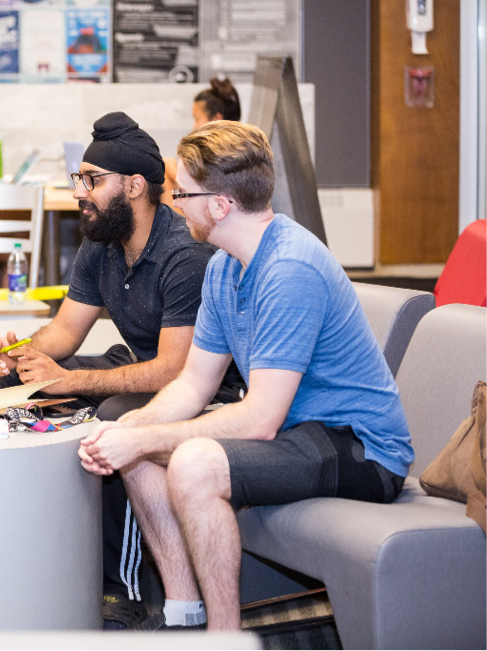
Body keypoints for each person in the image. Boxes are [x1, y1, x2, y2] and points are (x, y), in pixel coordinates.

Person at [79, 121, 413, 631]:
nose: (173, 204)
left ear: (219, 205)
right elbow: (193, 385)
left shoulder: (289, 268)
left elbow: (260, 418)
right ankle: (183, 616)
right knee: (139, 449)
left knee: (192, 463)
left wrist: (145, 437)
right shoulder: (224, 268)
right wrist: (131, 431)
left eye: (182, 193)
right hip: (299, 433)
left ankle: (224, 636)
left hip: (361, 448)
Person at [0, 112, 243, 630]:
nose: (79, 192)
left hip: (208, 388)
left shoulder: (185, 253)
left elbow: (175, 371)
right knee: (15, 386)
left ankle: (122, 590)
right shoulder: (101, 241)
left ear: (134, 186)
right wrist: (19, 354)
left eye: (92, 180)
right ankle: (27, 545)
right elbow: (64, 332)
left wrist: (71, 380)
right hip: (141, 366)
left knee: (116, 415)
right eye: (79, 178)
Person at [163, 77, 241, 208]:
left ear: (216, 119)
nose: (194, 126)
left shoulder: (226, 152)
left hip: (216, 208)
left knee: (164, 170)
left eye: (197, 119)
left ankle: (176, 222)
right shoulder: (238, 144)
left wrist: (168, 169)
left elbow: (204, 190)